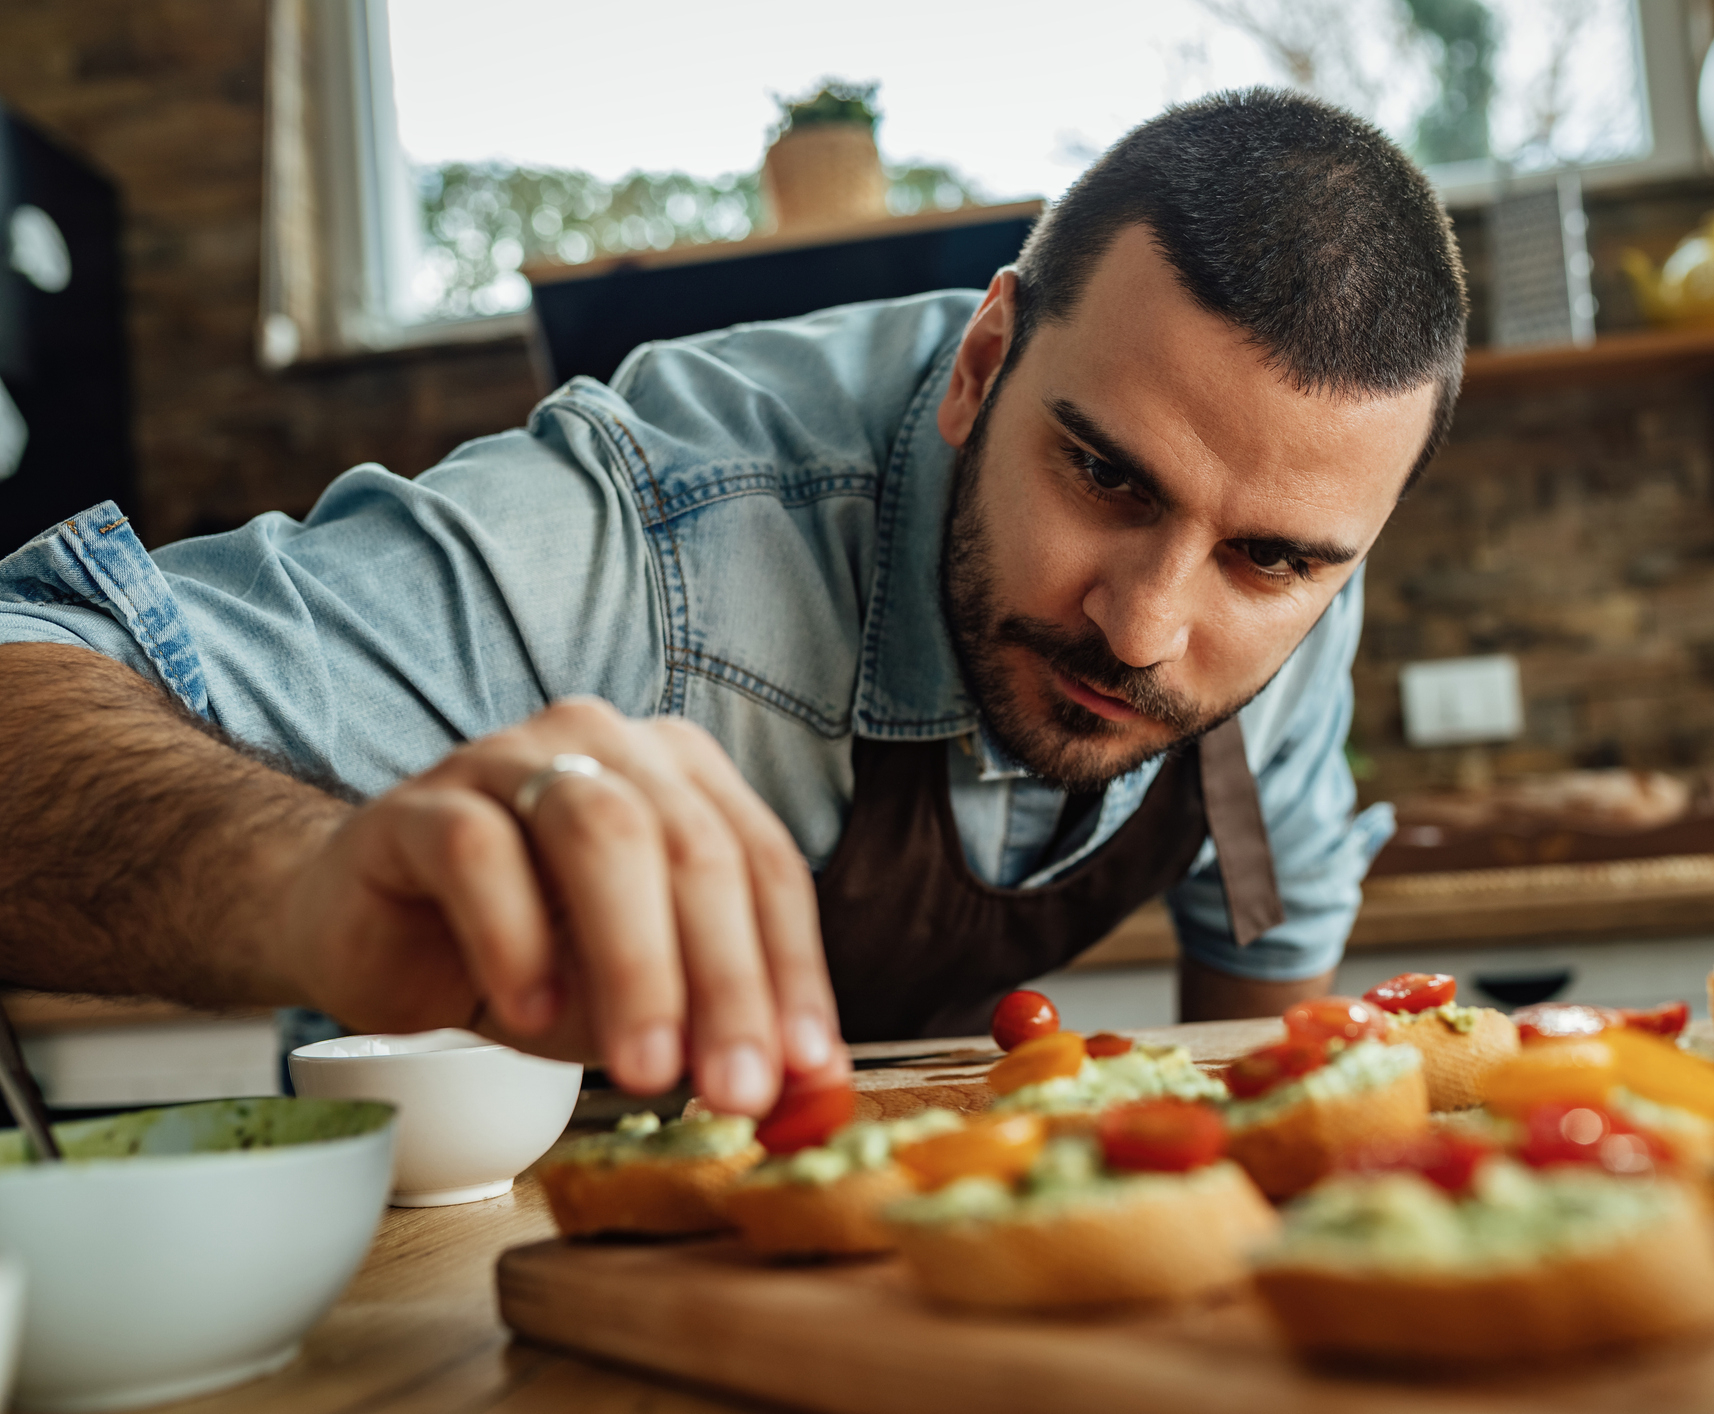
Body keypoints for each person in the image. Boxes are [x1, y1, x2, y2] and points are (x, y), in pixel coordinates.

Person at [0, 90, 1465, 1117]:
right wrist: (313, 881)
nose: (1146, 625)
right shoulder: (653, 526)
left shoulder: (1297, 546)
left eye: (1269, 561)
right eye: (1105, 477)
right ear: (983, 360)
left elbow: (1268, 1042)